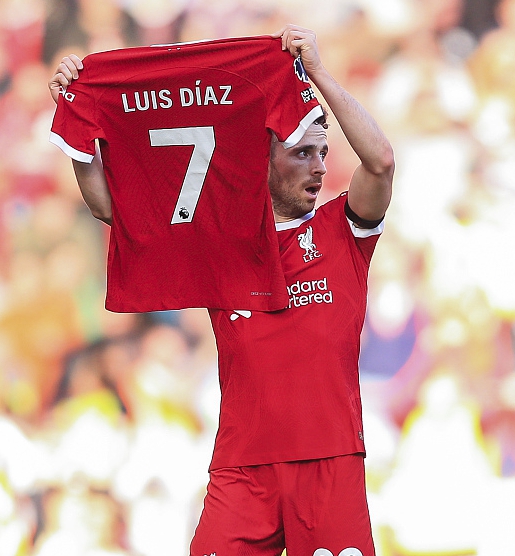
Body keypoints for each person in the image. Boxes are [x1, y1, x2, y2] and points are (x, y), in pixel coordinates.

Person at [49, 25, 395, 556]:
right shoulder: (219, 233)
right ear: (263, 156)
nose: (321, 168)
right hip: (242, 467)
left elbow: (380, 163)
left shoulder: (340, 231)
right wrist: (78, 121)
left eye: (323, 154)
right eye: (303, 153)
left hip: (327, 459)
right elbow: (111, 210)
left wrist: (319, 75)